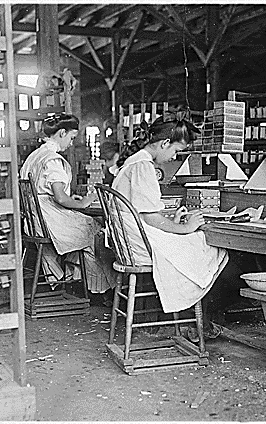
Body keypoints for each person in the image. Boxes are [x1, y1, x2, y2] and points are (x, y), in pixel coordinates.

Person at [111, 118, 229, 337]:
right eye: (176, 150)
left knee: (194, 243)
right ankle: (194, 322)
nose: (175, 157)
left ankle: (190, 321)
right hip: (139, 245)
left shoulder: (131, 163)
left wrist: (172, 222)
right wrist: (185, 228)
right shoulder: (143, 166)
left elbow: (144, 213)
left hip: (130, 241)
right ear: (164, 143)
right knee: (208, 244)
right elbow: (151, 218)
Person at [20, 114, 116, 294]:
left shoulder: (34, 157)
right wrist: (84, 202)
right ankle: (97, 289)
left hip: (34, 221)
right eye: (71, 138)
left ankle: (73, 278)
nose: (71, 143)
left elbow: (52, 193)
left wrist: (73, 200)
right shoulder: (52, 160)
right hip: (49, 220)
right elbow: (61, 198)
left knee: (86, 227)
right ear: (62, 133)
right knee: (95, 230)